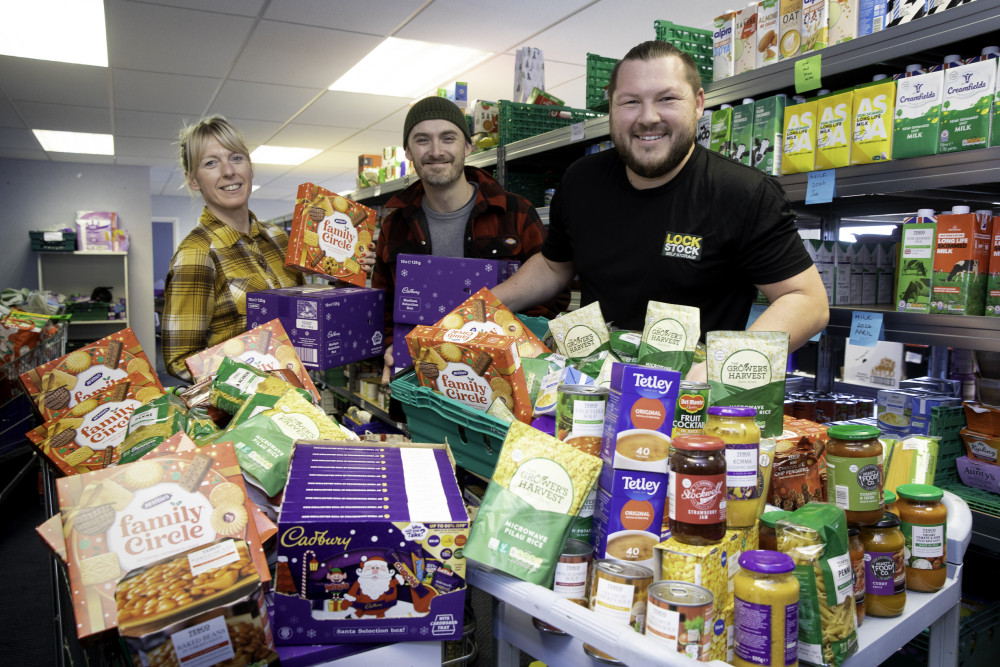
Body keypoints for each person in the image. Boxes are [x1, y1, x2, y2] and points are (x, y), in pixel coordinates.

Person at [493, 41, 829, 381]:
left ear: (698, 104)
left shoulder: (743, 192)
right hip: (592, 389)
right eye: (630, 102)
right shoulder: (581, 180)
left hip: (694, 397)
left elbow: (806, 301)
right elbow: (553, 265)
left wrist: (714, 371)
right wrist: (483, 307)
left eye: (667, 99)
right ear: (611, 108)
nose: (648, 117)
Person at [373, 96, 565, 385]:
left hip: (501, 381)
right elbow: (385, 305)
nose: (436, 151)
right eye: (422, 140)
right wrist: (392, 347)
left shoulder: (515, 212)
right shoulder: (394, 225)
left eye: (448, 138)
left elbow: (551, 297)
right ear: (408, 152)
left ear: (467, 146)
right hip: (419, 378)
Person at [162, 115, 308, 381]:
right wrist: (254, 374)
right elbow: (181, 360)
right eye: (211, 163)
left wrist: (343, 280)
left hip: (300, 392)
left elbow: (305, 317)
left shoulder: (277, 238)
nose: (228, 171)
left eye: (236, 158)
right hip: (246, 404)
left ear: (250, 168)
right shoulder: (196, 254)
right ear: (193, 180)